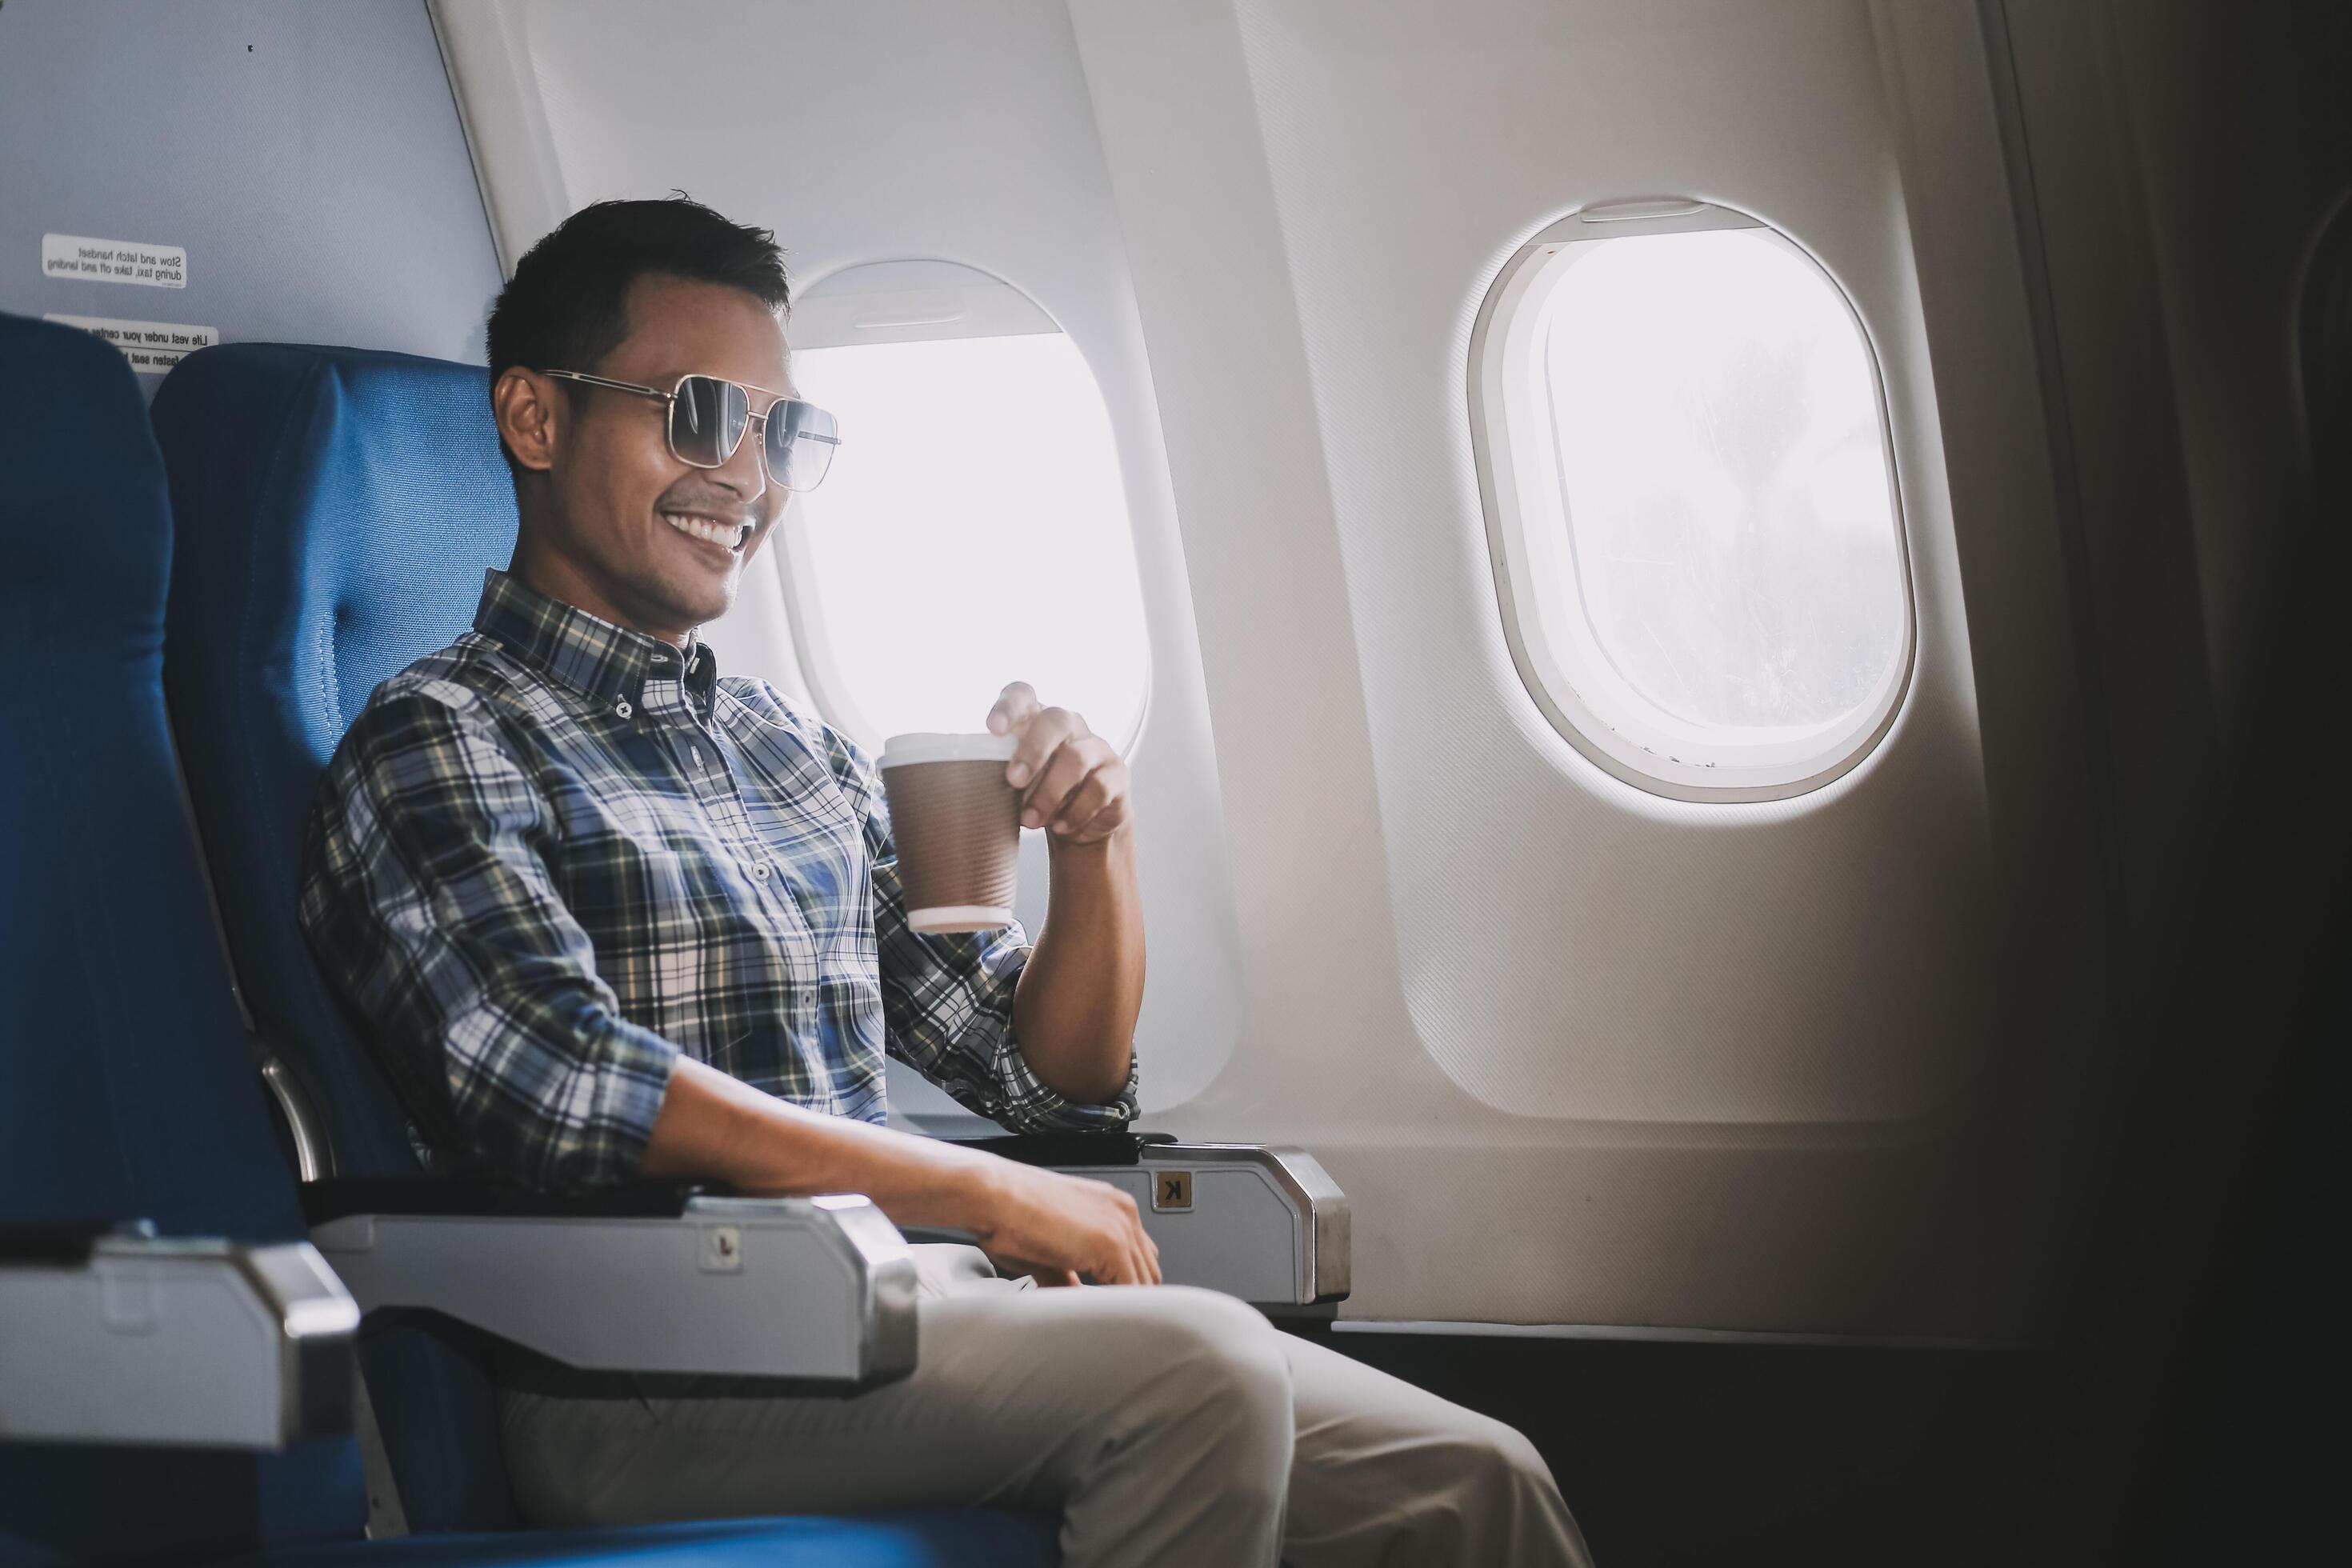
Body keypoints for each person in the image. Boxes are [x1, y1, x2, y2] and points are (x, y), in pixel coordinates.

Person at [301, 195, 1591, 1568]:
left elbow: (1045, 1081)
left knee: (1472, 1478)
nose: (749, 475)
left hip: (903, 1310)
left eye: (780, 429)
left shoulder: (786, 746)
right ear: (536, 420)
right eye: (696, 413)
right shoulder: (440, 736)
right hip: (647, 1364)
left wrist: (1095, 845)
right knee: (1198, 1368)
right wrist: (980, 1196)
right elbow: (568, 1087)